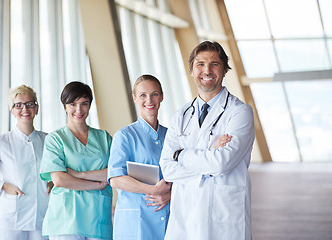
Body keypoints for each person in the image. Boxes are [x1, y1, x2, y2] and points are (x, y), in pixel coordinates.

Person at [160, 41, 255, 240]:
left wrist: (181, 154)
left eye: (215, 64)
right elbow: (167, 167)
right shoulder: (181, 116)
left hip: (223, 216)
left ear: (224, 69)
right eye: (200, 64)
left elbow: (221, 163)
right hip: (186, 216)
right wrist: (209, 155)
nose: (207, 70)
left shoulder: (239, 113)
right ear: (192, 71)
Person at [0, 85, 50, 240]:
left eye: (30, 104)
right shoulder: (2, 142)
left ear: (37, 108)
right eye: (18, 105)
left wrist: (53, 182)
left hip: (43, 216)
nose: (25, 109)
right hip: (13, 219)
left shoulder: (48, 140)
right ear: (12, 111)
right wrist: (3, 186)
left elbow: (59, 170)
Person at [39, 81, 112, 240]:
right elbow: (59, 179)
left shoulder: (104, 138)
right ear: (64, 106)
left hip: (98, 217)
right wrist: (97, 184)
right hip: (66, 220)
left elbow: (114, 172)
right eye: (72, 104)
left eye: (84, 103)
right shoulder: (56, 139)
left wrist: (79, 175)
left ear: (90, 105)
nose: (78, 110)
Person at [107, 75, 171, 240]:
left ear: (162, 96)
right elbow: (115, 179)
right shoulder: (125, 136)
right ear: (135, 98)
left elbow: (184, 176)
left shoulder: (171, 136)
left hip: (169, 217)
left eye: (154, 94)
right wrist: (153, 190)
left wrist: (170, 195)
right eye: (143, 95)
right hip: (136, 222)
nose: (149, 100)